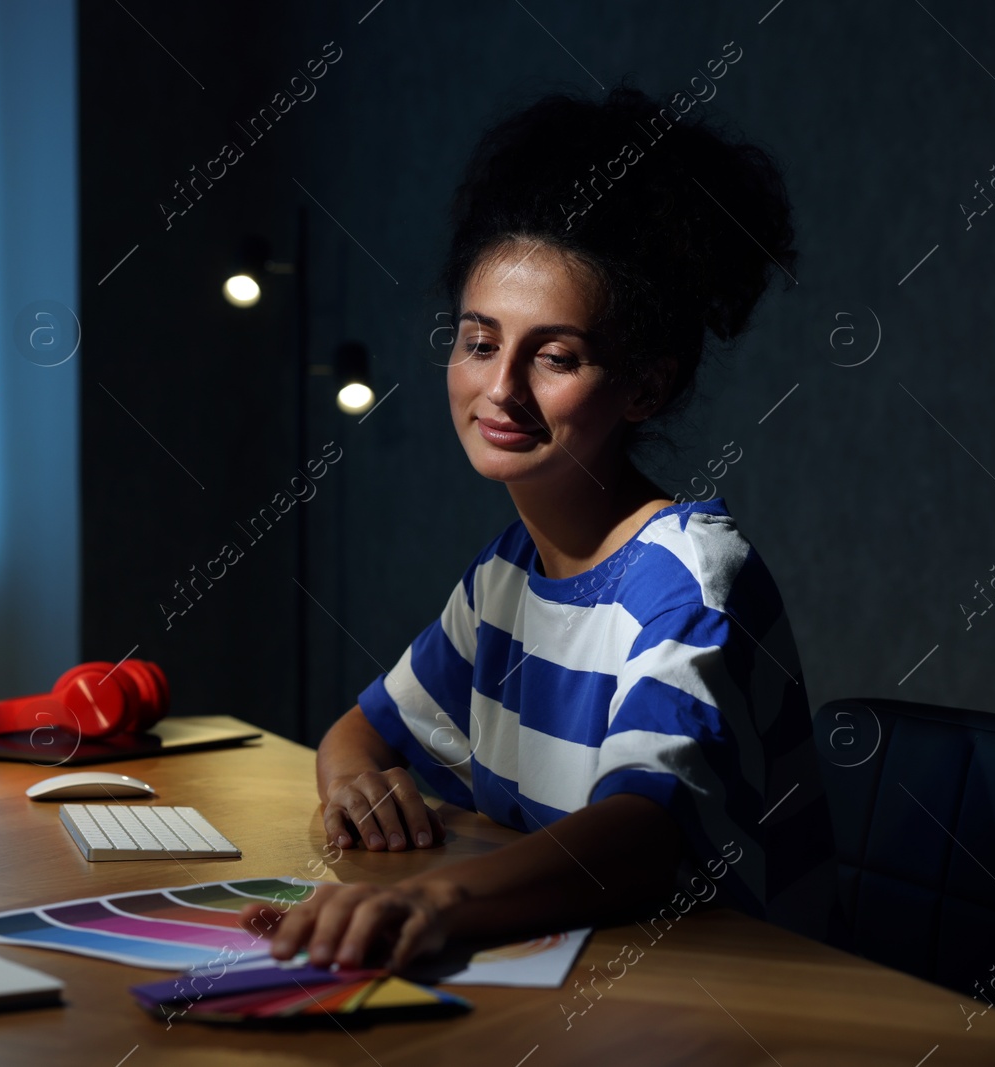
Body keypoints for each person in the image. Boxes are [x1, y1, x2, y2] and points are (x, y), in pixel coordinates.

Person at [239, 85, 837, 971]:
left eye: (555, 357)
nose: (502, 389)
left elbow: (641, 834)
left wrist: (433, 898)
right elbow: (356, 734)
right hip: (585, 984)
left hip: (736, 1008)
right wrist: (357, 787)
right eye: (481, 343)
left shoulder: (688, 574)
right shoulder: (506, 577)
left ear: (647, 385)